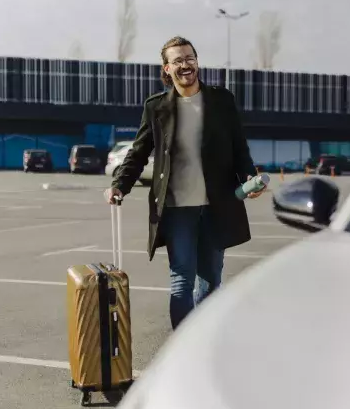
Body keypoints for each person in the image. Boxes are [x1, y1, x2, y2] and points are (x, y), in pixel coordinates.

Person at [105, 35, 265, 330]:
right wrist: (119, 185)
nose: (185, 65)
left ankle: (201, 341)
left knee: (210, 280)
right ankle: (181, 345)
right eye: (177, 60)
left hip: (217, 205)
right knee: (181, 281)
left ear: (197, 61)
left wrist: (249, 178)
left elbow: (238, 146)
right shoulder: (157, 107)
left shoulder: (220, 100)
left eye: (189, 58)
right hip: (178, 209)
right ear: (166, 69)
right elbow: (139, 152)